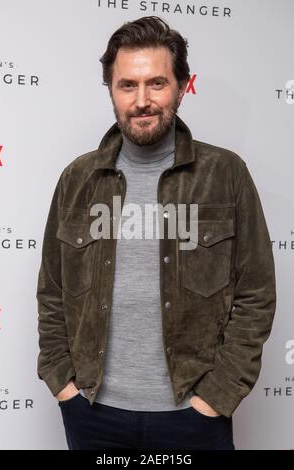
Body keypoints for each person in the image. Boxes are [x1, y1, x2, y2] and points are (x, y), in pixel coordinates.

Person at [36, 16, 276, 450]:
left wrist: (216, 398)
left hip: (194, 416)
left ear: (182, 86)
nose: (142, 100)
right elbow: (52, 293)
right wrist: (63, 385)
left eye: (157, 83)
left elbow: (256, 295)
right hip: (92, 415)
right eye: (127, 84)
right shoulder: (77, 179)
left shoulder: (226, 174)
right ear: (110, 88)